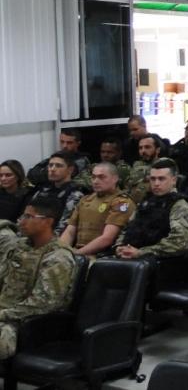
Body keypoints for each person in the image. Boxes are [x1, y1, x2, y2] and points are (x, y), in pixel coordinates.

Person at [0, 196, 77, 360]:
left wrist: (3, 314)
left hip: (25, 322)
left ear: (48, 222)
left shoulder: (58, 257)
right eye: (22, 216)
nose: (21, 222)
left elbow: (43, 304)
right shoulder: (19, 247)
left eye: (29, 217)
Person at [114, 158, 188, 260]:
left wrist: (141, 252)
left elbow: (180, 242)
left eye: (161, 179)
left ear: (174, 180)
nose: (156, 183)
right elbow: (127, 228)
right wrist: (120, 246)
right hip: (131, 258)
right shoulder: (146, 202)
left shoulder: (179, 205)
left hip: (158, 264)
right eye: (153, 179)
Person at [60, 162, 135, 257]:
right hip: (77, 253)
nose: (96, 181)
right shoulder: (85, 200)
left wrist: (77, 253)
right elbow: (70, 231)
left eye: (101, 177)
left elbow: (107, 238)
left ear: (115, 179)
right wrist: (62, 251)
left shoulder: (121, 202)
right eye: (93, 177)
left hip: (102, 257)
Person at [30, 152, 86, 234]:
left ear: (70, 170)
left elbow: (64, 228)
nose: (52, 169)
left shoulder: (75, 194)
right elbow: (27, 216)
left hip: (53, 240)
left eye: (58, 166)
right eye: (50, 165)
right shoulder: (43, 190)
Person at [27, 128, 92, 187]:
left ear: (78, 143)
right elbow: (31, 174)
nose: (64, 146)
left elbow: (62, 174)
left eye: (69, 143)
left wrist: (44, 172)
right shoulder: (56, 156)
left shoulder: (83, 159)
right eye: (62, 142)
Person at [124, 134, 161, 203]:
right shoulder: (136, 165)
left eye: (147, 147)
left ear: (157, 150)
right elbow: (127, 187)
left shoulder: (164, 165)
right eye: (140, 148)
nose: (143, 151)